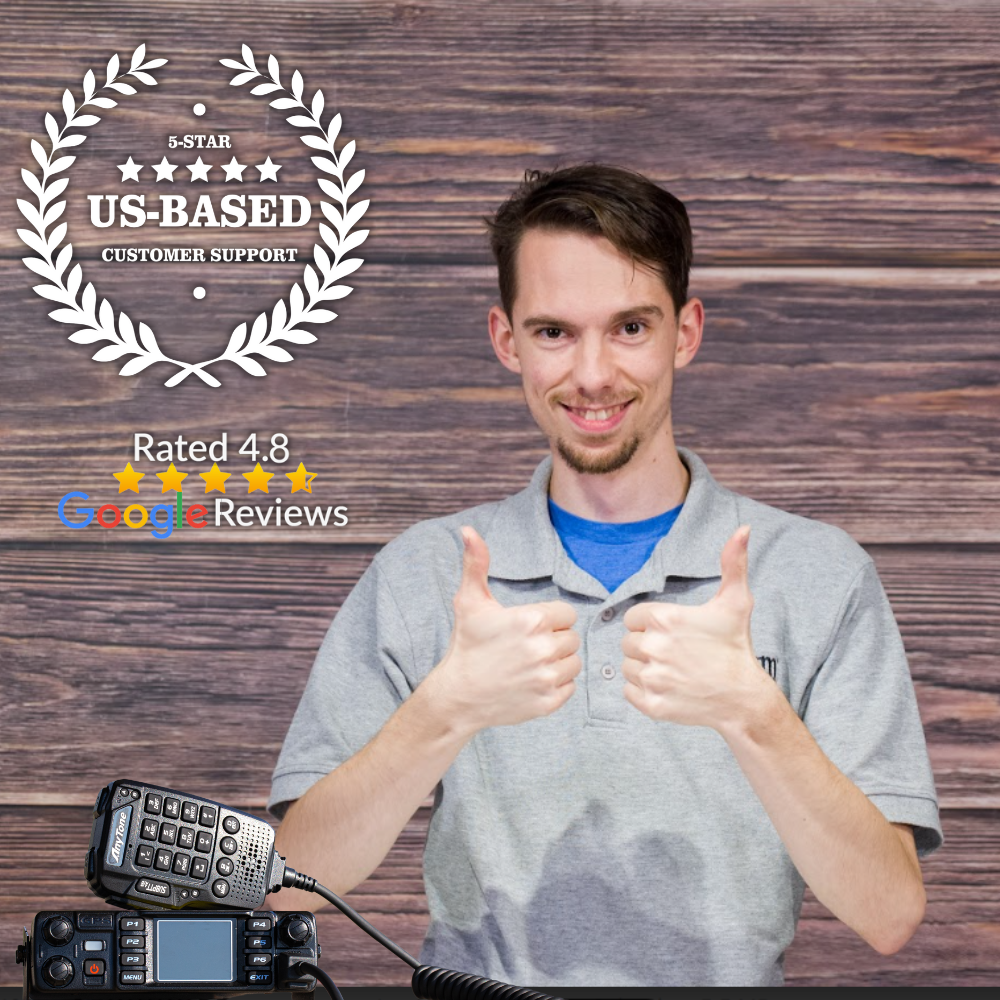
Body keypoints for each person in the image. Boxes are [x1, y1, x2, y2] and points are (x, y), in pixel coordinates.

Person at [265, 164, 942, 987]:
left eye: (630, 327)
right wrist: (444, 711)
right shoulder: (424, 572)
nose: (591, 375)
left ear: (685, 332)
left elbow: (889, 912)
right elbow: (291, 883)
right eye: (554, 332)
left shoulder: (816, 575)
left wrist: (754, 716)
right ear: (505, 338)